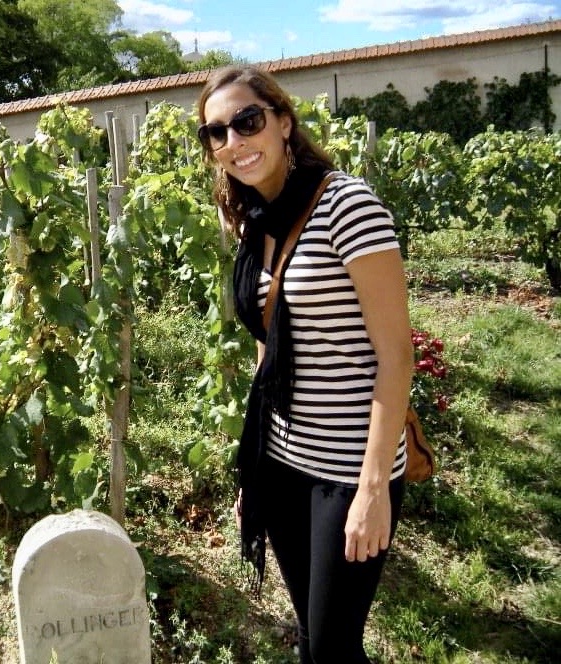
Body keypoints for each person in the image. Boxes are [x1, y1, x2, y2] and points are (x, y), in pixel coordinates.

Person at [197, 66, 413, 663]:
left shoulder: (348, 206)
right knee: (313, 640)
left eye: (248, 121)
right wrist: (255, 470)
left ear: (284, 123)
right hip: (284, 462)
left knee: (334, 647)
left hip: (348, 467)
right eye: (217, 132)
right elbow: (267, 350)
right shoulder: (255, 219)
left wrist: (373, 490)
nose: (234, 141)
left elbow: (397, 356)